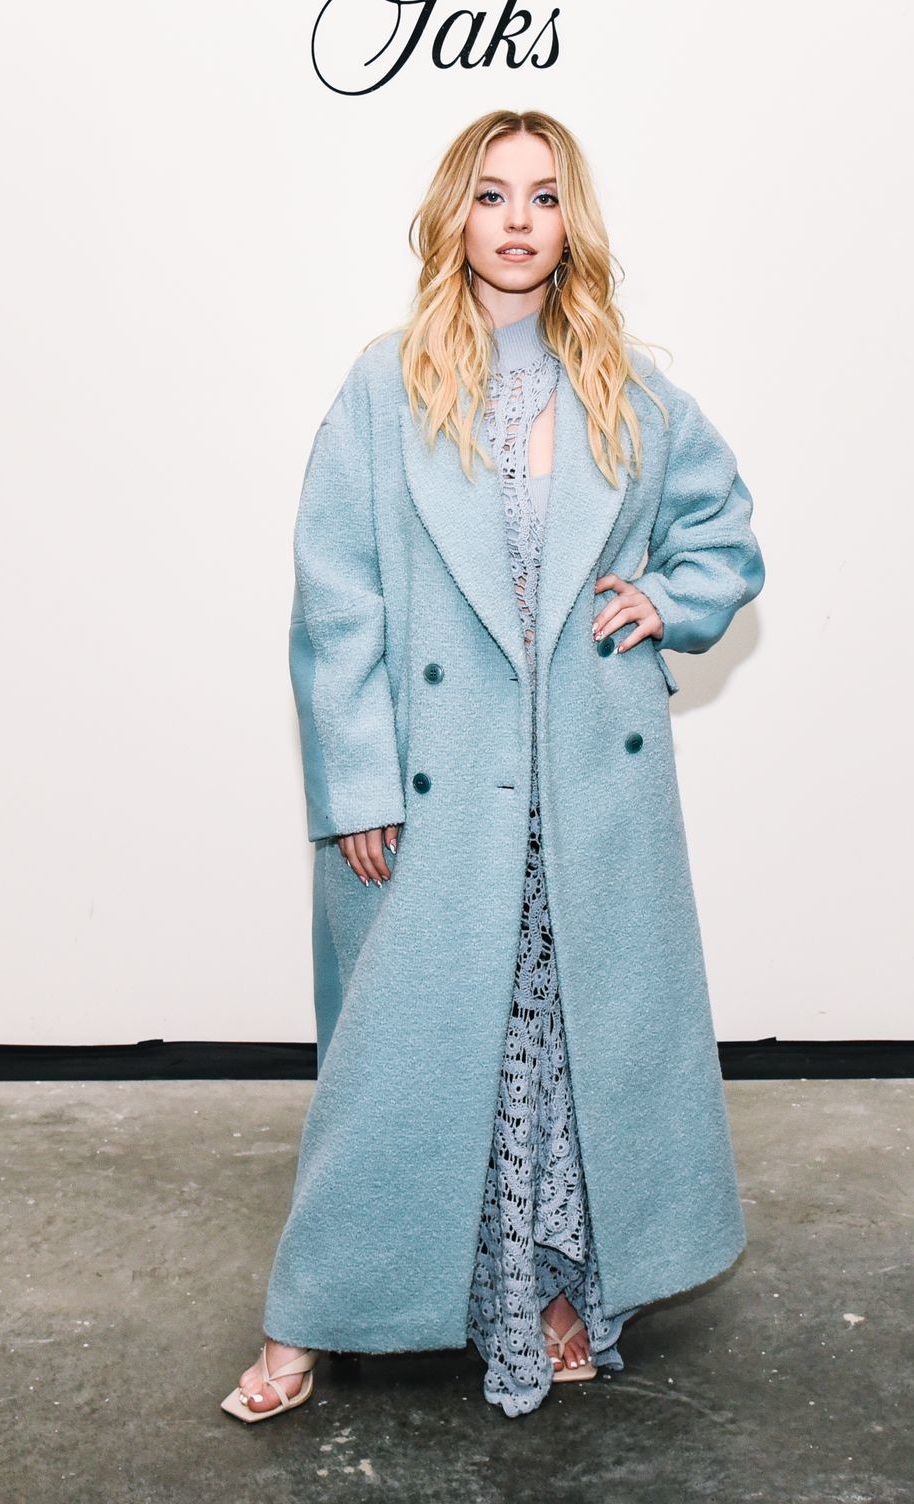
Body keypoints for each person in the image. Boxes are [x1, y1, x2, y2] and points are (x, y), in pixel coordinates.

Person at [221, 109, 766, 1423]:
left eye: (543, 195)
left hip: (586, 796)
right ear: (451, 218)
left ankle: (559, 1297)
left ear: (572, 222)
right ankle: (311, 1316)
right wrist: (356, 783)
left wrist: (666, 599)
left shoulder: (628, 389)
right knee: (398, 1071)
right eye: (491, 194)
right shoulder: (385, 386)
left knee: (568, 1059)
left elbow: (725, 538)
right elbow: (335, 599)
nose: (518, 220)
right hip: (436, 792)